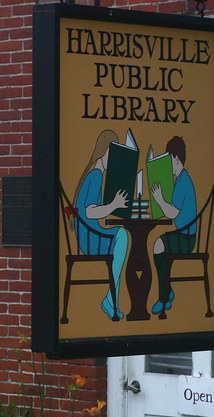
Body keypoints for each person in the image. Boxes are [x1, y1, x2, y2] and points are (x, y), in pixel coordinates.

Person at [73, 129, 130, 321]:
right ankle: (111, 300)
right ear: (104, 151)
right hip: (91, 238)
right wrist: (114, 204)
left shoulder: (93, 173)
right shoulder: (96, 174)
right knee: (121, 234)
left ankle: (111, 298)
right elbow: (89, 211)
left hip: (89, 234)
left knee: (120, 234)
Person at [149, 136, 197, 315]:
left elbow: (173, 213)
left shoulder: (183, 181)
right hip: (183, 234)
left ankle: (164, 296)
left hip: (187, 238)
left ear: (176, 158)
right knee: (162, 247)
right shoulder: (181, 179)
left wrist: (160, 200)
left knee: (159, 244)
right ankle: (166, 292)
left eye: (169, 159)